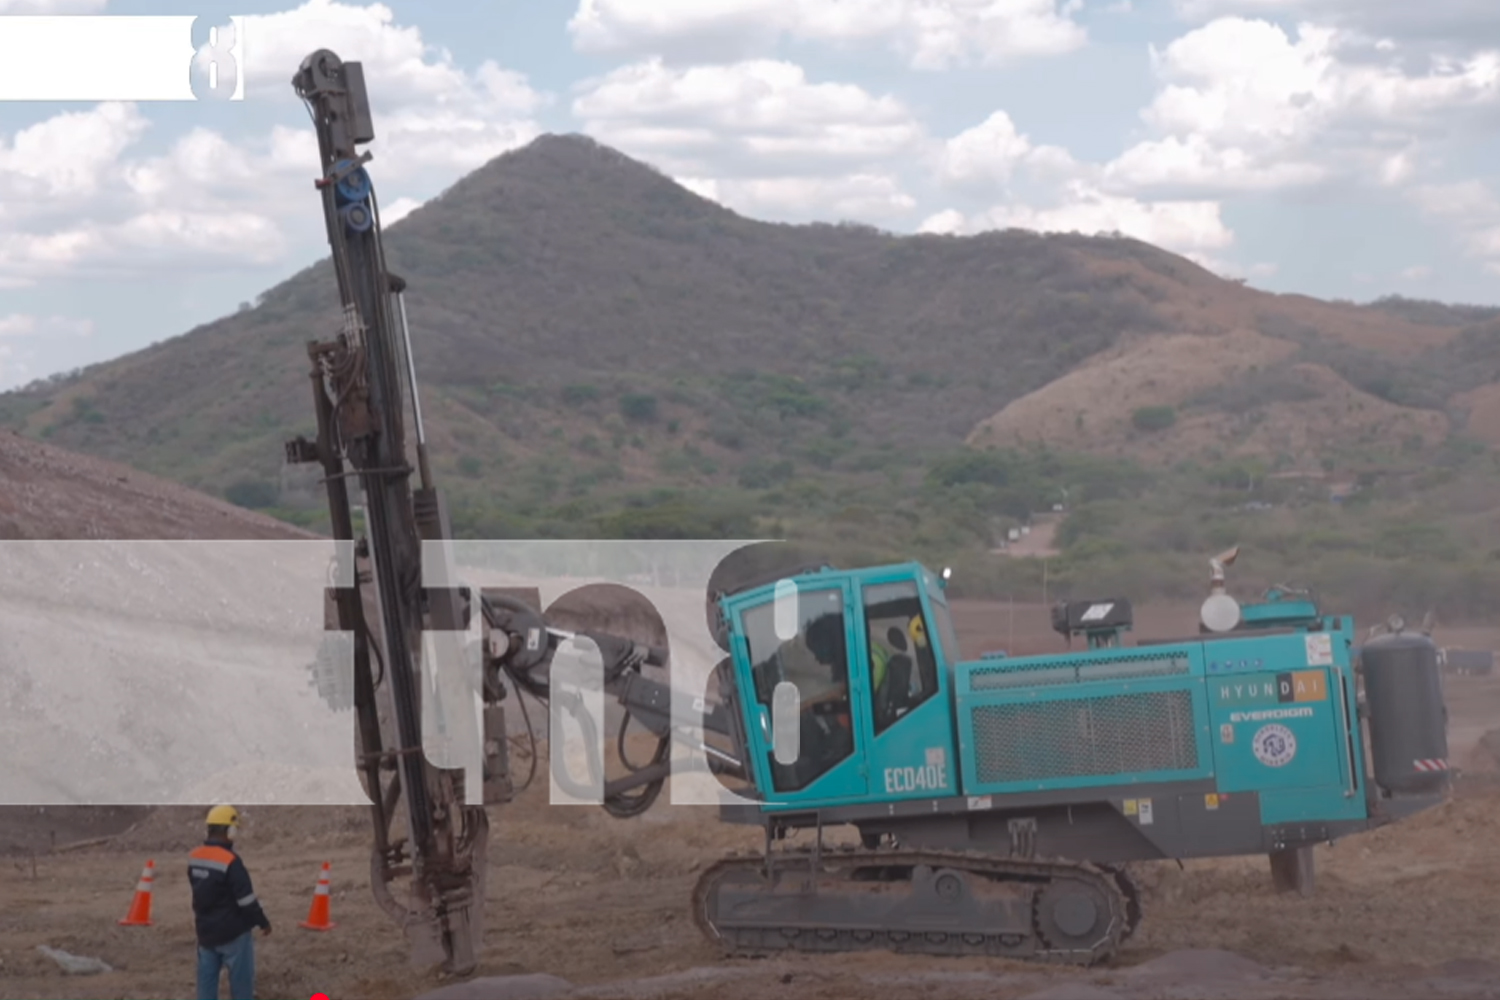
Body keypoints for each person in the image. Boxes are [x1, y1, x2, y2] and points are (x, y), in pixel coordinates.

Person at [189, 804, 271, 1000]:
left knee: (206, 985)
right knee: (241, 986)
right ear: (230, 830)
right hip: (233, 933)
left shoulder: (194, 857)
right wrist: (263, 922)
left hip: (205, 932)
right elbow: (246, 900)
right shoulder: (231, 861)